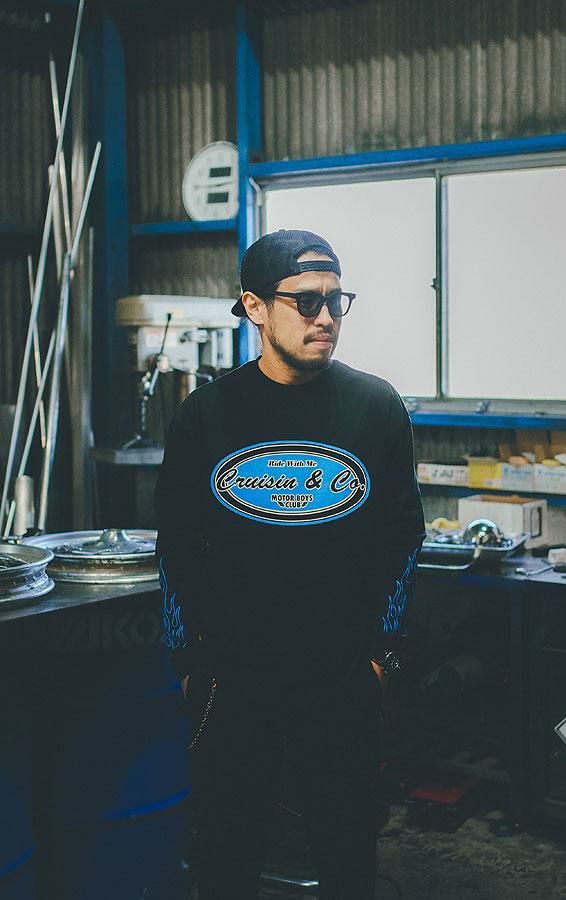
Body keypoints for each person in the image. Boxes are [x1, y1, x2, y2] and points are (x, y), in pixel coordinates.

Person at [154, 228, 425, 900]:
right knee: (228, 852)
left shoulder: (376, 408)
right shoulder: (205, 416)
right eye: (306, 301)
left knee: (346, 850)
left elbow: (403, 537)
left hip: (340, 676)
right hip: (234, 681)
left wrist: (380, 655)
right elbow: (176, 545)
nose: (326, 317)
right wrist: (188, 661)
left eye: (336, 300)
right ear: (254, 306)